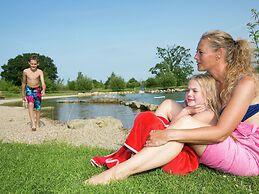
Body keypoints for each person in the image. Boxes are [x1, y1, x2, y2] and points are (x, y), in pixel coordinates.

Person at [86, 30, 259, 185]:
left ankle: (120, 171)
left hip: (248, 155)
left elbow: (221, 133)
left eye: (200, 52)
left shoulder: (245, 83)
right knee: (168, 104)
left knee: (183, 125)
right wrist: (182, 113)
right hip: (229, 143)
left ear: (219, 54)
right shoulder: (214, 84)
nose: (195, 56)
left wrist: (169, 134)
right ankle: (132, 153)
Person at [90, 74, 220, 175]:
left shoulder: (208, 115)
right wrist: (186, 111)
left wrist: (185, 111)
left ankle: (128, 157)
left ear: (208, 95)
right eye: (188, 90)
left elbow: (172, 131)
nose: (189, 94)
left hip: (182, 160)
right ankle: (131, 154)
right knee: (151, 114)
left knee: (146, 117)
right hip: (168, 152)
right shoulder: (194, 110)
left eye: (194, 91)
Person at [21, 55, 46, 131]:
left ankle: (38, 123)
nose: (33, 65)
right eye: (32, 64)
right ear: (29, 63)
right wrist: (23, 94)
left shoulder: (40, 72)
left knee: (38, 108)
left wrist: (43, 90)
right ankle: (33, 124)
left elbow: (43, 82)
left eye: (35, 64)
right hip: (29, 90)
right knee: (30, 104)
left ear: (38, 64)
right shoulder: (25, 71)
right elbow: (24, 83)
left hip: (37, 90)